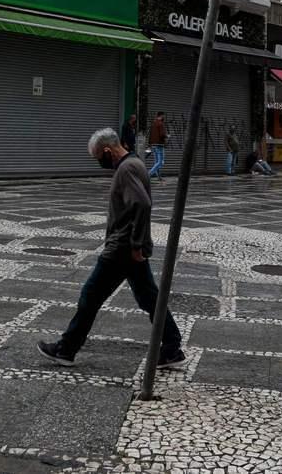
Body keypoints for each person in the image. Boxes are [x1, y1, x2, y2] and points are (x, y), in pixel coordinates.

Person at [37, 127, 186, 369]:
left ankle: (66, 349)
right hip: (128, 247)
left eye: (98, 158)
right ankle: (171, 348)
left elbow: (142, 204)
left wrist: (136, 244)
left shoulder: (126, 169)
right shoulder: (135, 162)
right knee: (149, 298)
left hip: (122, 249)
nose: (99, 162)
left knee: (90, 296)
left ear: (107, 150)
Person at [147, 111, 168, 180]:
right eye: (163, 116)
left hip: (153, 145)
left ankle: (158, 177)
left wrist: (149, 144)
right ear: (161, 116)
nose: (164, 117)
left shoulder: (153, 124)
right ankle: (148, 174)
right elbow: (162, 135)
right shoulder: (160, 124)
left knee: (156, 162)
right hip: (159, 144)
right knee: (161, 162)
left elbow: (150, 134)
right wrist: (167, 136)